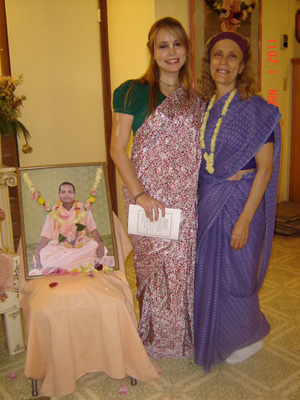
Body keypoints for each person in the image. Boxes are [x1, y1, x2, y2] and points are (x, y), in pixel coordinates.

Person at [110, 17, 206, 358]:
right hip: (144, 195)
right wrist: (141, 194)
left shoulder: (197, 100)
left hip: (184, 199)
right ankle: (151, 336)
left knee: (181, 267)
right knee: (152, 266)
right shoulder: (132, 91)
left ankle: (182, 338)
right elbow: (117, 149)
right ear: (151, 51)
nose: (171, 52)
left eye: (177, 44)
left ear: (186, 49)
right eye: (162, 45)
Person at [194, 32, 281, 372]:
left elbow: (265, 168)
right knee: (209, 272)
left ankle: (250, 336)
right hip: (211, 200)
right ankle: (217, 334)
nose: (224, 62)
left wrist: (244, 220)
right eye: (218, 55)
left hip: (241, 202)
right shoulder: (206, 108)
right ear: (209, 62)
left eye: (232, 56)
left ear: (243, 65)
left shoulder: (258, 110)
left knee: (237, 274)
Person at [33, 182, 114, 273]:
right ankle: (77, 262)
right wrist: (38, 249)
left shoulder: (83, 208)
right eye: (63, 192)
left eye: (70, 192)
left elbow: (92, 228)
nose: (66, 195)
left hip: (81, 245)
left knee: (94, 246)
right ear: (59, 195)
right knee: (44, 252)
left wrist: (101, 242)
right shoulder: (53, 211)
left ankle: (65, 263)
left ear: (74, 195)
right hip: (60, 247)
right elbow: (46, 234)